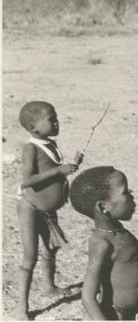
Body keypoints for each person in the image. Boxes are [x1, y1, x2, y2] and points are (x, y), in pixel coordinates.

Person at [16, 101, 83, 320]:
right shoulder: (31, 149)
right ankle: (21, 309)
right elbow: (27, 180)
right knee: (30, 256)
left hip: (46, 210)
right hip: (30, 207)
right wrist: (58, 170)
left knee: (50, 249)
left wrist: (69, 166)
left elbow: (54, 171)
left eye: (56, 118)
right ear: (34, 128)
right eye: (51, 119)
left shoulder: (50, 145)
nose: (57, 122)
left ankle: (49, 286)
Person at [69, 166, 138, 320]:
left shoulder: (120, 234)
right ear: (103, 207)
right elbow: (88, 297)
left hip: (128, 314)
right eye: (126, 192)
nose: (132, 197)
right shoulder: (102, 243)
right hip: (114, 315)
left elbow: (129, 271)